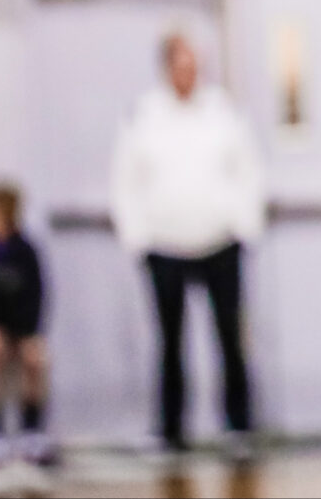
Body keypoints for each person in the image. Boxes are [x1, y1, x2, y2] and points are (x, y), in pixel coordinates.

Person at [111, 32, 265, 455]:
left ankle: (239, 427)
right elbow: (126, 181)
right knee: (170, 341)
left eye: (194, 65)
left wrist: (244, 227)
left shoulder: (223, 110)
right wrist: (137, 239)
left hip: (220, 242)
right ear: (167, 68)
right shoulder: (143, 114)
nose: (188, 73)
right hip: (164, 246)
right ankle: (171, 431)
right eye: (181, 65)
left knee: (230, 337)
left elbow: (248, 170)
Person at [0, 183, 55, 475]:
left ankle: (33, 430)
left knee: (36, 358)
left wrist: (30, 333)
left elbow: (37, 294)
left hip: (20, 321)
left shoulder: (25, 249)